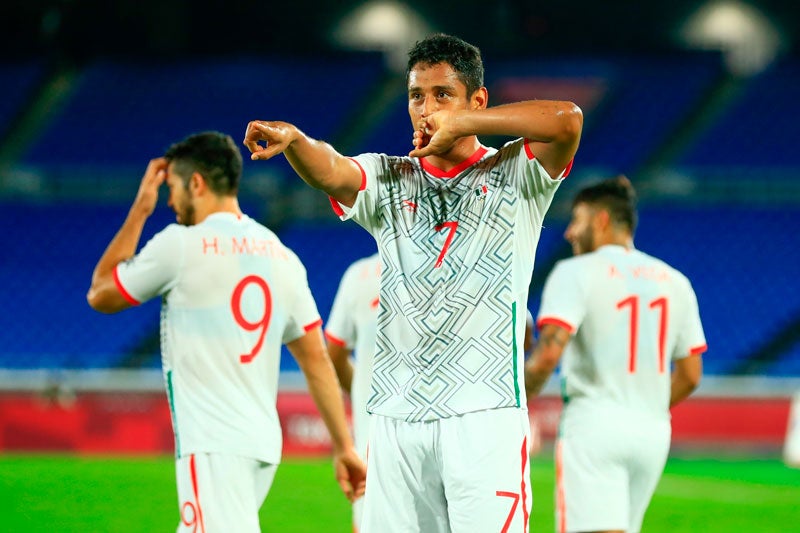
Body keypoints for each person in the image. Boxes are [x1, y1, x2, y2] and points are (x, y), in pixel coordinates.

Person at [244, 33, 583, 532]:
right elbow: (333, 171)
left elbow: (567, 121)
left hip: (483, 413)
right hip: (395, 419)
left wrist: (463, 125)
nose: (426, 108)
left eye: (443, 94)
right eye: (416, 96)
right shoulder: (389, 177)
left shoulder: (516, 174)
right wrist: (295, 139)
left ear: (477, 100)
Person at [86, 131, 365, 532]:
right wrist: (344, 446)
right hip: (261, 447)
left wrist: (141, 209)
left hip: (215, 444)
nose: (169, 200)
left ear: (196, 183)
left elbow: (101, 293)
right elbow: (317, 359)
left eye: (174, 189)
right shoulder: (282, 256)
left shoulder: (181, 245)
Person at [524, 176, 706, 533]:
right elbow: (690, 375)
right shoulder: (675, 281)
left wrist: (511, 402)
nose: (569, 233)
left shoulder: (575, 272)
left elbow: (547, 356)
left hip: (595, 424)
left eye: (577, 220)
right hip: (652, 431)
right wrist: (645, 404)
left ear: (601, 219)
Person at [324, 252, 380, 532]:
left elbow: (332, 356)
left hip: (373, 443)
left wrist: (364, 392)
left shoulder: (361, 275)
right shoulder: (461, 258)